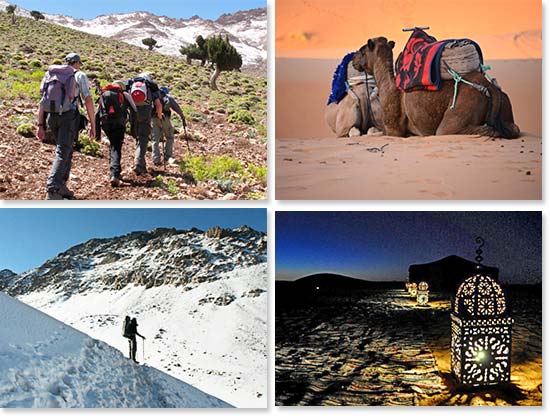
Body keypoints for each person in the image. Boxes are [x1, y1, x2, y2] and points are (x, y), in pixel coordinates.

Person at [36, 53, 96, 200]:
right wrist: (93, 124)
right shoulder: (79, 75)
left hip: (52, 116)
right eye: (80, 64)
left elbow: (42, 101)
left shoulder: (51, 74)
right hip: (68, 117)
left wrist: (40, 125)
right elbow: (88, 100)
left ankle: (62, 186)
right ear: (77, 63)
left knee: (66, 150)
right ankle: (53, 188)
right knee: (63, 151)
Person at [95, 80, 137, 187]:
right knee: (116, 147)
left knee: (113, 146)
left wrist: (98, 135)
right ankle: (115, 175)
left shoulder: (104, 94)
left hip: (105, 123)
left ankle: (114, 171)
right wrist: (133, 130)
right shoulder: (124, 95)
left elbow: (96, 114)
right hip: (119, 123)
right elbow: (134, 111)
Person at [127, 72, 163, 175]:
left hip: (133, 114)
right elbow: (158, 104)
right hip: (145, 114)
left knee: (138, 137)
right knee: (143, 138)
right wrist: (159, 115)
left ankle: (141, 164)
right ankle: (138, 163)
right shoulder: (150, 86)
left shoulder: (131, 85)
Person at [152, 86, 187, 166]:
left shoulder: (154, 97)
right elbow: (177, 108)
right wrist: (182, 118)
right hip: (165, 118)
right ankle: (167, 156)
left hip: (154, 118)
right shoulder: (168, 97)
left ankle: (156, 159)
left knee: (155, 139)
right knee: (170, 137)